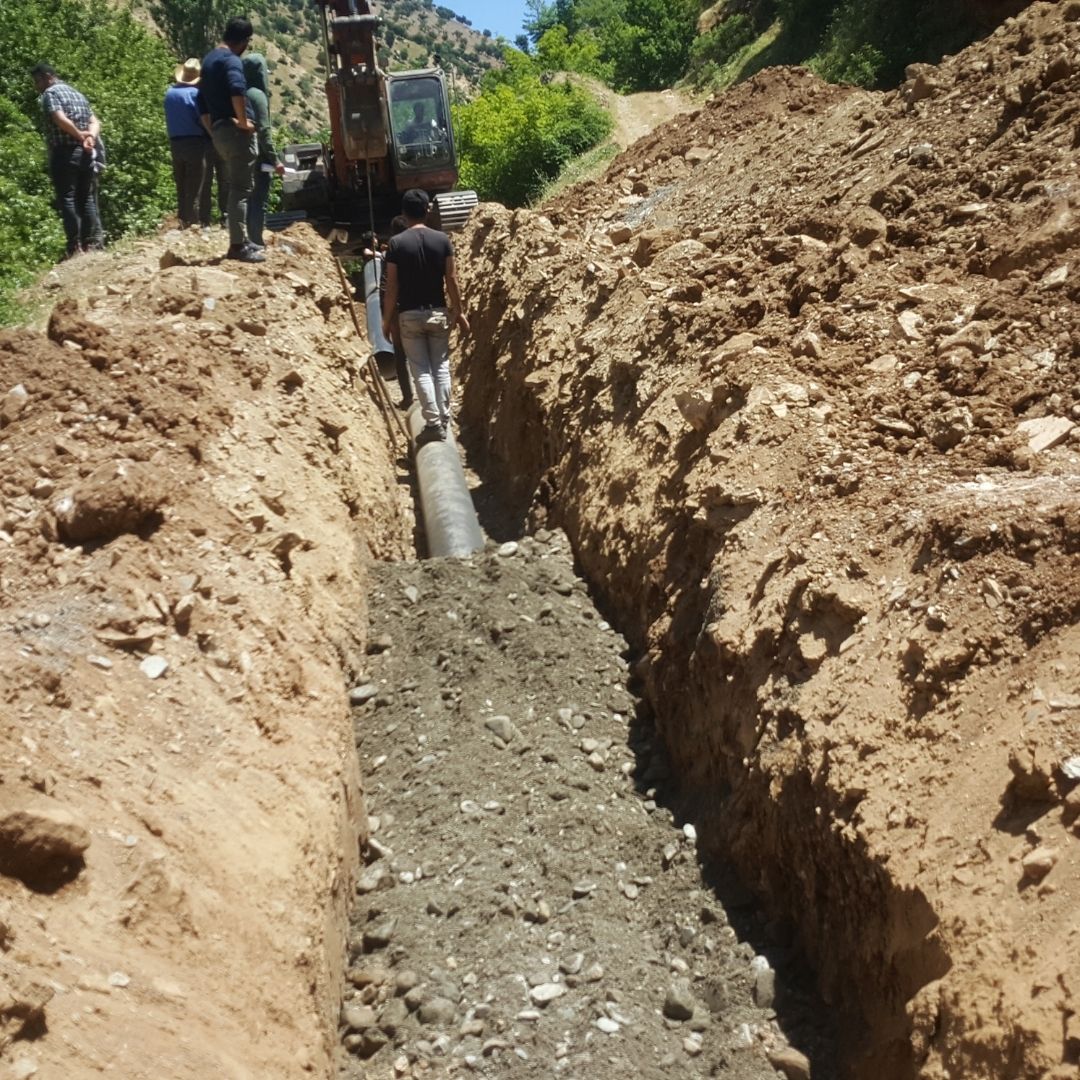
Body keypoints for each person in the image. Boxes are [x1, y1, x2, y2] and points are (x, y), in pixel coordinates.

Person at [381, 189, 469, 443]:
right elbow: (451, 280)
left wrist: (387, 321)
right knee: (440, 366)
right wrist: (459, 312)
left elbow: (392, 288)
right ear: (427, 210)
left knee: (420, 369)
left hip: (409, 316)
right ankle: (444, 417)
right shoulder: (443, 240)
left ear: (404, 213)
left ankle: (432, 423)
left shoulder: (396, 244)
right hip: (438, 313)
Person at [200, 17, 262, 263]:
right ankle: (238, 246)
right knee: (240, 189)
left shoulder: (209, 61)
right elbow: (237, 89)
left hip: (219, 131)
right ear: (244, 41)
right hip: (236, 133)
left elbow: (202, 104)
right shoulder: (231, 60)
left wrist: (212, 130)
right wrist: (244, 123)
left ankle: (242, 239)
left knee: (235, 186)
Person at [31, 63, 104, 258]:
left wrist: (80, 135)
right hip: (86, 152)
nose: (36, 86)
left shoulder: (51, 94)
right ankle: (92, 244)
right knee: (86, 197)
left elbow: (58, 118)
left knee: (68, 198)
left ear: (47, 77)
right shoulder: (77, 94)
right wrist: (90, 138)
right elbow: (95, 121)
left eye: (37, 81)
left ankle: (74, 246)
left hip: (64, 152)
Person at [241, 53, 284, 248]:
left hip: (240, 154)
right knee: (259, 199)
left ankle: (246, 239)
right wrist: (275, 160)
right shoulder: (258, 96)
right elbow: (264, 132)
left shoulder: (240, 94)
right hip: (259, 157)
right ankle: (256, 240)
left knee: (246, 198)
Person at [163, 58, 211, 229]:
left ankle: (183, 219)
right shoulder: (195, 94)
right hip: (194, 142)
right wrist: (213, 134)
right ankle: (194, 222)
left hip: (175, 143)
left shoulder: (169, 93)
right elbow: (203, 118)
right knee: (195, 184)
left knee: (181, 183)